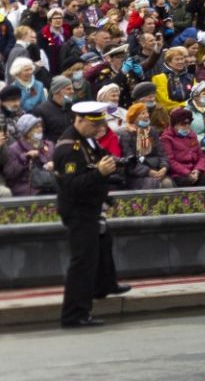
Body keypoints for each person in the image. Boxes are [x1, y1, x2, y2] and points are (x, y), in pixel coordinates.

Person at [53, 101, 129, 328]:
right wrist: (100, 174)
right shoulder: (69, 148)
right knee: (83, 262)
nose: (99, 129)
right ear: (80, 120)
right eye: (94, 124)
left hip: (91, 206)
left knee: (103, 244)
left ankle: (104, 285)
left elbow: (102, 162)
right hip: (78, 211)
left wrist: (113, 171)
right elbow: (72, 186)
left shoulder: (86, 141)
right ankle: (75, 314)